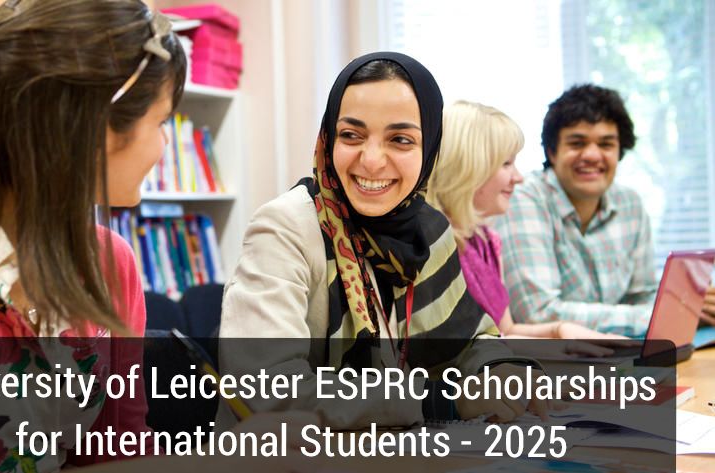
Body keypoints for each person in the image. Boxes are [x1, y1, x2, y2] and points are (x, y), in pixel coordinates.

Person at [0, 1, 314, 471]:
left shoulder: (111, 265)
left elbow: (118, 454)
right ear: (94, 126)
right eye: (161, 122)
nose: (165, 146)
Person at [219, 52, 549, 430]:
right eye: (351, 135)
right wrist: (437, 399)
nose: (372, 160)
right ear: (328, 138)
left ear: (430, 150)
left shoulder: (428, 230)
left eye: (401, 139)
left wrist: (503, 370)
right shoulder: (285, 229)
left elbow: (472, 343)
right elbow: (265, 389)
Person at [428, 100, 626, 348]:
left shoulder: (487, 241)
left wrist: (561, 330)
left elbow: (506, 331)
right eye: (506, 164)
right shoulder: (434, 248)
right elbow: (467, 353)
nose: (518, 178)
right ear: (469, 166)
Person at [495, 84, 657, 337]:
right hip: (544, 367)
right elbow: (538, 313)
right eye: (577, 143)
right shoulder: (524, 198)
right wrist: (654, 317)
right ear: (552, 151)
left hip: (613, 357)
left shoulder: (631, 204)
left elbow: (644, 296)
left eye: (606, 144)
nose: (592, 155)